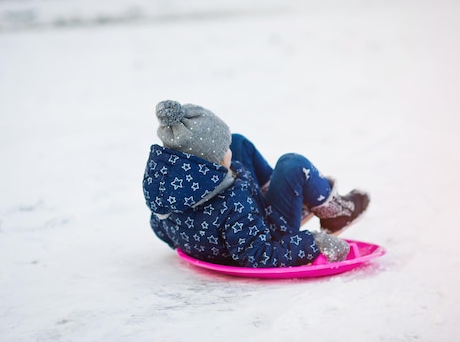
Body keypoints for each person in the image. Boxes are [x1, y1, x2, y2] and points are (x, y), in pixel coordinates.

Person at [142, 100, 370, 268]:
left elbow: (160, 227)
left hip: (238, 224)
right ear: (216, 162)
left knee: (240, 142)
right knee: (292, 164)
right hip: (266, 233)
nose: (229, 150)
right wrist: (314, 243)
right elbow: (260, 255)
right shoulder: (233, 201)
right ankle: (335, 212)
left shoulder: (167, 197)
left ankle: (287, 198)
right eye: (224, 149)